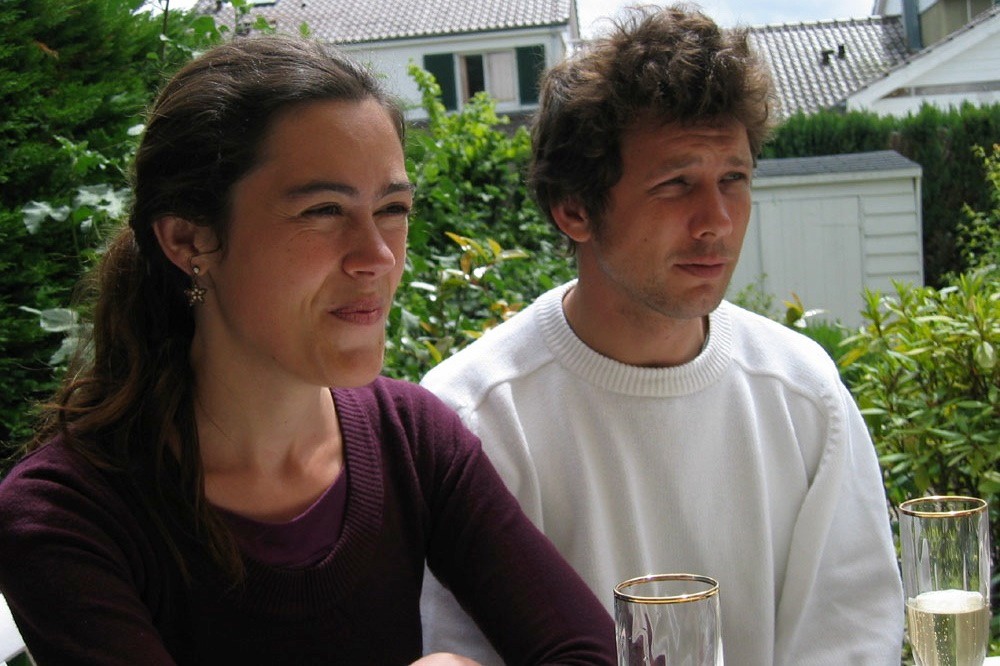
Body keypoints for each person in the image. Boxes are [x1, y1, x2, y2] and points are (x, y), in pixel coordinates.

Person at [0, 36, 617, 665]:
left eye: (393, 208)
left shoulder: (412, 438)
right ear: (188, 240)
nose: (378, 255)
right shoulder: (66, 516)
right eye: (323, 210)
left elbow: (590, 653)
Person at [420, 4, 905, 664]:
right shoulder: (473, 417)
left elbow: (852, 637)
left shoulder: (802, 393)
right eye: (677, 184)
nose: (717, 221)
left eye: (733, 179)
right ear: (574, 208)